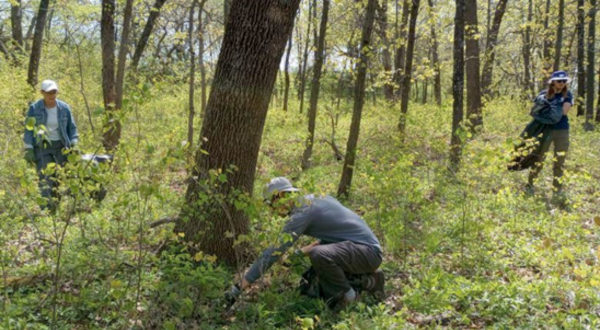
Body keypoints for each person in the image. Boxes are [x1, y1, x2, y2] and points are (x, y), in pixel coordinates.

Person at [224, 177, 385, 310]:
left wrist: (238, 289)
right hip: (365, 251)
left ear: (281, 197)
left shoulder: (301, 214)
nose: (271, 210)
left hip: (367, 253)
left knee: (319, 255)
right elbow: (333, 237)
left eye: (271, 204)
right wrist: (296, 256)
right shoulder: (316, 199)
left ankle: (349, 297)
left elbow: (272, 254)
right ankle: (369, 281)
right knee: (312, 280)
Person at [23, 80, 79, 211]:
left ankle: (56, 205)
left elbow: (72, 128)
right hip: (42, 146)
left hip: (61, 146)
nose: (52, 96)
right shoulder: (34, 108)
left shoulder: (64, 108)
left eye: (54, 92)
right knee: (45, 177)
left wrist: (74, 143)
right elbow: (29, 129)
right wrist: (29, 148)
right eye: (49, 93)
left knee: (60, 176)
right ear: (42, 93)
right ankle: (46, 209)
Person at [526, 70, 573, 204]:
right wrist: (553, 109)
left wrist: (548, 109)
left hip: (562, 131)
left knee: (559, 161)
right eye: (559, 81)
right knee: (538, 157)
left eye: (564, 81)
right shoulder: (543, 94)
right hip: (545, 130)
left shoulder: (568, 94)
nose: (562, 83)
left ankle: (557, 191)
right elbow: (536, 111)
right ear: (553, 82)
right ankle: (530, 185)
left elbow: (564, 112)